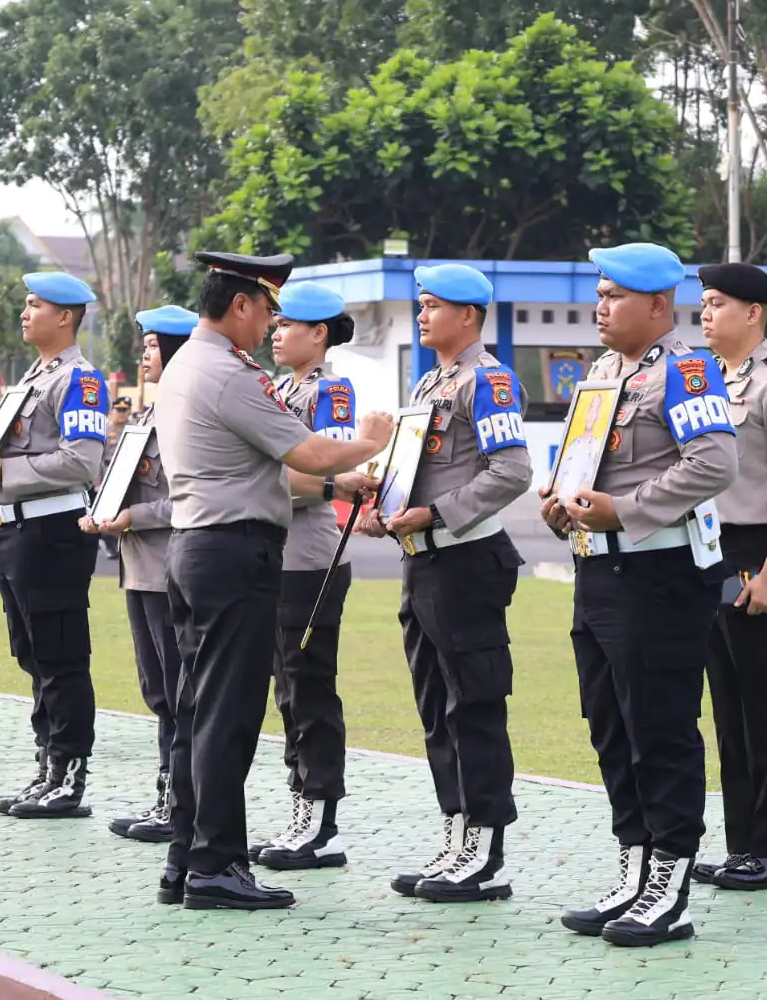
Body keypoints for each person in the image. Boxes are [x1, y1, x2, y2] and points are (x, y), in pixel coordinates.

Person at [153, 251, 389, 911]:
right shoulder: (229, 374)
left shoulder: (188, 364)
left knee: (197, 712)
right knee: (226, 717)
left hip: (198, 547)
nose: (270, 326)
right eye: (267, 312)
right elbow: (308, 453)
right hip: (232, 553)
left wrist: (333, 476)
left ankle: (186, 858)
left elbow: (282, 471)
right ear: (241, 306)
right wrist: (369, 443)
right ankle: (217, 865)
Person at [542, 244, 737, 947]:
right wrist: (560, 500)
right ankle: (632, 864)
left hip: (660, 574)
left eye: (614, 295)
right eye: (598, 293)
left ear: (657, 305)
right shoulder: (601, 371)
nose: (600, 307)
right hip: (597, 568)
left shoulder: (686, 369)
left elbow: (716, 461)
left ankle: (668, 881)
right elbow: (583, 459)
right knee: (611, 726)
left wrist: (624, 509)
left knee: (659, 730)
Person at [357, 264, 533, 904]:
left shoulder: (488, 380)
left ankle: (483, 846)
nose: (424, 315)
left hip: (465, 561)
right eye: (421, 304)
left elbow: (511, 471)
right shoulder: (433, 380)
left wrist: (437, 512)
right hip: (423, 561)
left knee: (474, 706)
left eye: (434, 306)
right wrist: (387, 507)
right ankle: (456, 833)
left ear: (469, 315)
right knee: (437, 708)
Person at [688, 263, 767, 897]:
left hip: (759, 552)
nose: (706, 314)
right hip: (713, 549)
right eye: (703, 304)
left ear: (753, 313)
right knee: (728, 706)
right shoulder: (710, 379)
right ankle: (743, 843)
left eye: (717, 304)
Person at [0, 272, 108, 820]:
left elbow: (81, 462)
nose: (24, 313)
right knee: (31, 652)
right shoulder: (33, 378)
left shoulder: (81, 381)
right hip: (13, 528)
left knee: (60, 654)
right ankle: (47, 764)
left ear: (65, 317)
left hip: (52, 530)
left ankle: (69, 772)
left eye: (34, 304)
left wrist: (3, 469)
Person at [249, 280, 362, 872]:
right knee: (285, 686)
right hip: (278, 553)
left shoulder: (330, 392)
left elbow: (330, 472)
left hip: (311, 555)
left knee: (308, 683)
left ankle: (319, 818)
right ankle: (300, 803)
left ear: (318, 333)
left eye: (288, 324)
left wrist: (261, 483)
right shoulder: (279, 388)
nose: (276, 331)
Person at [94, 305, 195, 846]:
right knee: (158, 691)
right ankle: (167, 794)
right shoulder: (147, 415)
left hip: (168, 566)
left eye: (153, 345)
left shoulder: (182, 416)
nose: (144, 354)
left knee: (179, 693)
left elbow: (189, 499)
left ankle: (180, 801)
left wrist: (134, 516)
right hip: (137, 568)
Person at [98, 396, 133, 561]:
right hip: (107, 473)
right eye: (119, 410)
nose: (122, 414)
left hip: (127, 474)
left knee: (125, 510)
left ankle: (120, 542)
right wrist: (98, 482)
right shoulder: (105, 430)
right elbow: (98, 457)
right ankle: (109, 542)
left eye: (125, 410)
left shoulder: (133, 428)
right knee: (109, 512)